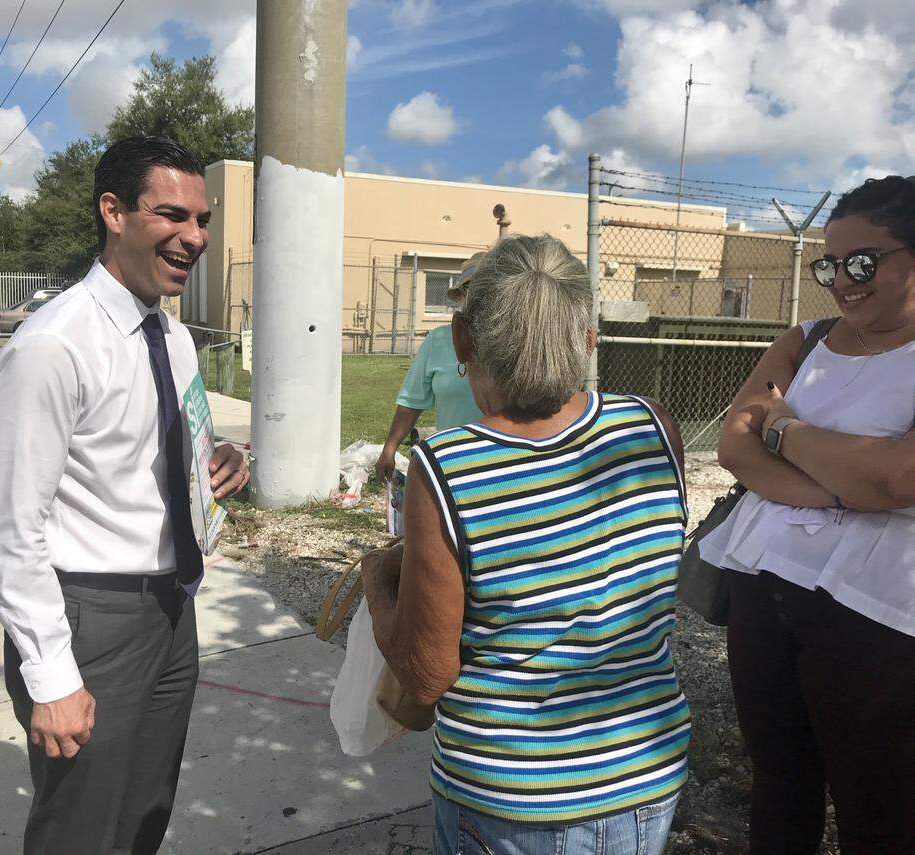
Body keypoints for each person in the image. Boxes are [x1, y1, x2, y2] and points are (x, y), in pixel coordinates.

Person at [362, 234, 691, 855]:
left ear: (462, 342)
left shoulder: (446, 468)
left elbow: (426, 674)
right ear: (588, 336)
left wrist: (380, 582)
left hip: (513, 800)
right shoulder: (653, 426)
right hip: (648, 774)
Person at [0, 136, 250, 854]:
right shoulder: (52, 346)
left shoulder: (174, 334)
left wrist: (221, 462)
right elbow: (15, 530)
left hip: (172, 609)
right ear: (113, 211)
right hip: (90, 619)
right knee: (82, 829)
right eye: (172, 214)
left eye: (202, 219)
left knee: (143, 813)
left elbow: (167, 449)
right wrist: (50, 674)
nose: (194, 236)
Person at [704, 175, 915, 855]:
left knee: (877, 804)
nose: (841, 281)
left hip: (875, 615)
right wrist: (839, 488)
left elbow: (899, 476)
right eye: (829, 264)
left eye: (863, 261)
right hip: (762, 591)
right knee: (779, 782)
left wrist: (788, 431)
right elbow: (736, 442)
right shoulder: (807, 338)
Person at [375, 253, 485, 483]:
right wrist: (390, 449)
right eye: (471, 290)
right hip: (453, 461)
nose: (479, 298)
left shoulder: (515, 341)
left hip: (502, 461)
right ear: (462, 296)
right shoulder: (438, 341)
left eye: (486, 290)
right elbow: (411, 401)